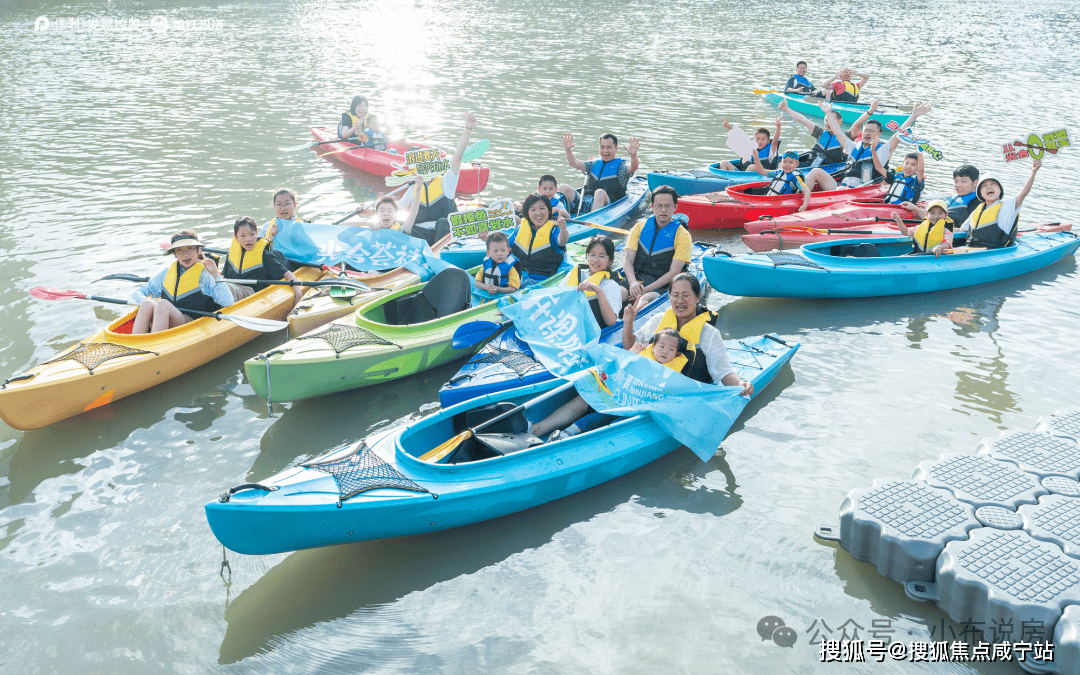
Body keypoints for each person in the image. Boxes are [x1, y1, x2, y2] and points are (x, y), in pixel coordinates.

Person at [530, 273, 751, 440]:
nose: (680, 301)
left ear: (697, 297)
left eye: (686, 295)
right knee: (591, 392)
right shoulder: (659, 321)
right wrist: (627, 323)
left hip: (673, 399)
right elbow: (630, 346)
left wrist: (740, 384)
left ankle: (568, 435)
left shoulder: (709, 335)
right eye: (675, 295)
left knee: (618, 410)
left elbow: (723, 373)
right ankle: (537, 429)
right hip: (640, 385)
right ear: (669, 296)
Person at [545, 329, 690, 441]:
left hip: (638, 411)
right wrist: (632, 352)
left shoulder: (676, 376)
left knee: (621, 424)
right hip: (620, 402)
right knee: (600, 415)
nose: (665, 351)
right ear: (652, 347)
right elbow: (619, 368)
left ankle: (592, 441)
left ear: (676, 354)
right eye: (662, 346)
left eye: (671, 349)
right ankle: (567, 433)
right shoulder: (639, 357)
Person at [803, 101, 931, 191]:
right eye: (865, 130)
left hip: (860, 191)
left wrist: (913, 115)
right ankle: (801, 196)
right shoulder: (853, 146)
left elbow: (899, 134)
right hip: (839, 187)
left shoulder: (883, 150)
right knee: (815, 172)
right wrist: (828, 113)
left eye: (871, 131)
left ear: (878, 135)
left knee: (841, 188)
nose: (867, 133)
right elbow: (837, 131)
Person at [131, 231, 234, 334]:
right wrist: (148, 300)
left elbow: (228, 302)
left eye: (190, 248)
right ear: (175, 254)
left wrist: (216, 274)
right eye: (179, 250)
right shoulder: (166, 273)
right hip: (167, 317)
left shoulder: (206, 275)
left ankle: (154, 345)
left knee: (162, 304)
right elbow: (138, 292)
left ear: (199, 251)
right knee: (147, 303)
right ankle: (135, 343)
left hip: (194, 323)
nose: (185, 254)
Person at [398, 112, 477, 243]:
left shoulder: (446, 182)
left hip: (443, 234)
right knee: (401, 225)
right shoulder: (413, 187)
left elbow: (457, 157)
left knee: (442, 222)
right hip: (421, 235)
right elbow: (396, 209)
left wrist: (468, 128)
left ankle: (437, 255)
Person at [622, 185, 693, 303]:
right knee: (618, 293)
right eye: (659, 206)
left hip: (661, 285)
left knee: (644, 299)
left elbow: (674, 272)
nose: (663, 210)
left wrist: (645, 290)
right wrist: (633, 282)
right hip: (635, 279)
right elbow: (628, 260)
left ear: (675, 207)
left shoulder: (683, 236)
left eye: (668, 206)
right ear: (652, 207)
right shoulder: (639, 227)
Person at [957, 160, 1042, 249]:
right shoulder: (978, 210)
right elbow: (961, 230)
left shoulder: (1007, 207)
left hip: (994, 253)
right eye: (984, 186)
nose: (989, 187)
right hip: (970, 251)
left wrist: (1034, 172)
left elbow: (1023, 194)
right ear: (980, 194)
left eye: (993, 184)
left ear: (1000, 189)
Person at [776, 97, 878, 167]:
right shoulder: (820, 132)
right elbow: (803, 120)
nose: (828, 123)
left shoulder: (845, 136)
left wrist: (870, 111)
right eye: (826, 120)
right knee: (781, 163)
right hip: (810, 164)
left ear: (840, 121)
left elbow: (857, 125)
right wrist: (786, 109)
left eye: (832, 120)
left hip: (828, 169)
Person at [223, 217, 304, 304]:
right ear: (236, 237)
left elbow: (290, 275)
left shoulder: (265, 255)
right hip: (233, 291)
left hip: (253, 295)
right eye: (243, 236)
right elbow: (223, 277)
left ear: (257, 233)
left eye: (252, 234)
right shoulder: (232, 255)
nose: (248, 239)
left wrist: (298, 294)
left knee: (221, 287)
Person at [559, 132, 640, 213]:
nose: (605, 151)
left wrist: (633, 155)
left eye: (609, 147)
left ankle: (591, 220)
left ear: (616, 148)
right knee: (563, 187)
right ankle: (556, 216)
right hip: (586, 202)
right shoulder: (593, 164)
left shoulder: (621, 166)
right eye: (602, 147)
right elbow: (574, 163)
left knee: (599, 192)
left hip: (608, 205)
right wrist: (567, 149)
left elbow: (633, 167)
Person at [564, 235, 626, 328]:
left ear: (610, 261)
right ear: (587, 256)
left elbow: (611, 321)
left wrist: (598, 291)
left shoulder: (611, 286)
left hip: (596, 332)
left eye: (601, 256)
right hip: (571, 327)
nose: (596, 260)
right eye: (592, 255)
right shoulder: (574, 274)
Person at [507, 192, 569, 284]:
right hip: (517, 275)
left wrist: (563, 229)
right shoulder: (521, 228)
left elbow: (562, 241)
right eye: (533, 209)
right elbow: (504, 247)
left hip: (542, 280)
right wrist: (488, 238)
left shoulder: (554, 231)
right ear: (528, 212)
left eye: (542, 208)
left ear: (549, 211)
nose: (538, 213)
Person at [904, 165, 981, 223]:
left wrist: (916, 209)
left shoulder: (976, 204)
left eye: (963, 181)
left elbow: (938, 222)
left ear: (975, 183)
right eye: (956, 181)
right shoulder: (957, 196)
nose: (958, 185)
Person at [748, 150, 813, 211]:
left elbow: (807, 191)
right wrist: (756, 157)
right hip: (768, 201)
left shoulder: (795, 177)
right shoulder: (778, 172)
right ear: (781, 162)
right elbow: (761, 171)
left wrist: (804, 205)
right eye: (784, 162)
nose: (787, 164)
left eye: (791, 162)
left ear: (797, 164)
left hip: (780, 205)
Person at [716, 117, 781, 171]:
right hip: (739, 176)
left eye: (763, 139)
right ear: (753, 140)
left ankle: (741, 181)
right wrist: (728, 127)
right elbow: (737, 138)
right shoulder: (749, 146)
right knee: (723, 163)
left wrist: (778, 127)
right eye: (757, 139)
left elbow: (775, 142)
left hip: (760, 175)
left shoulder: (770, 151)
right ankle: (725, 180)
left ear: (768, 141)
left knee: (752, 166)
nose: (760, 141)